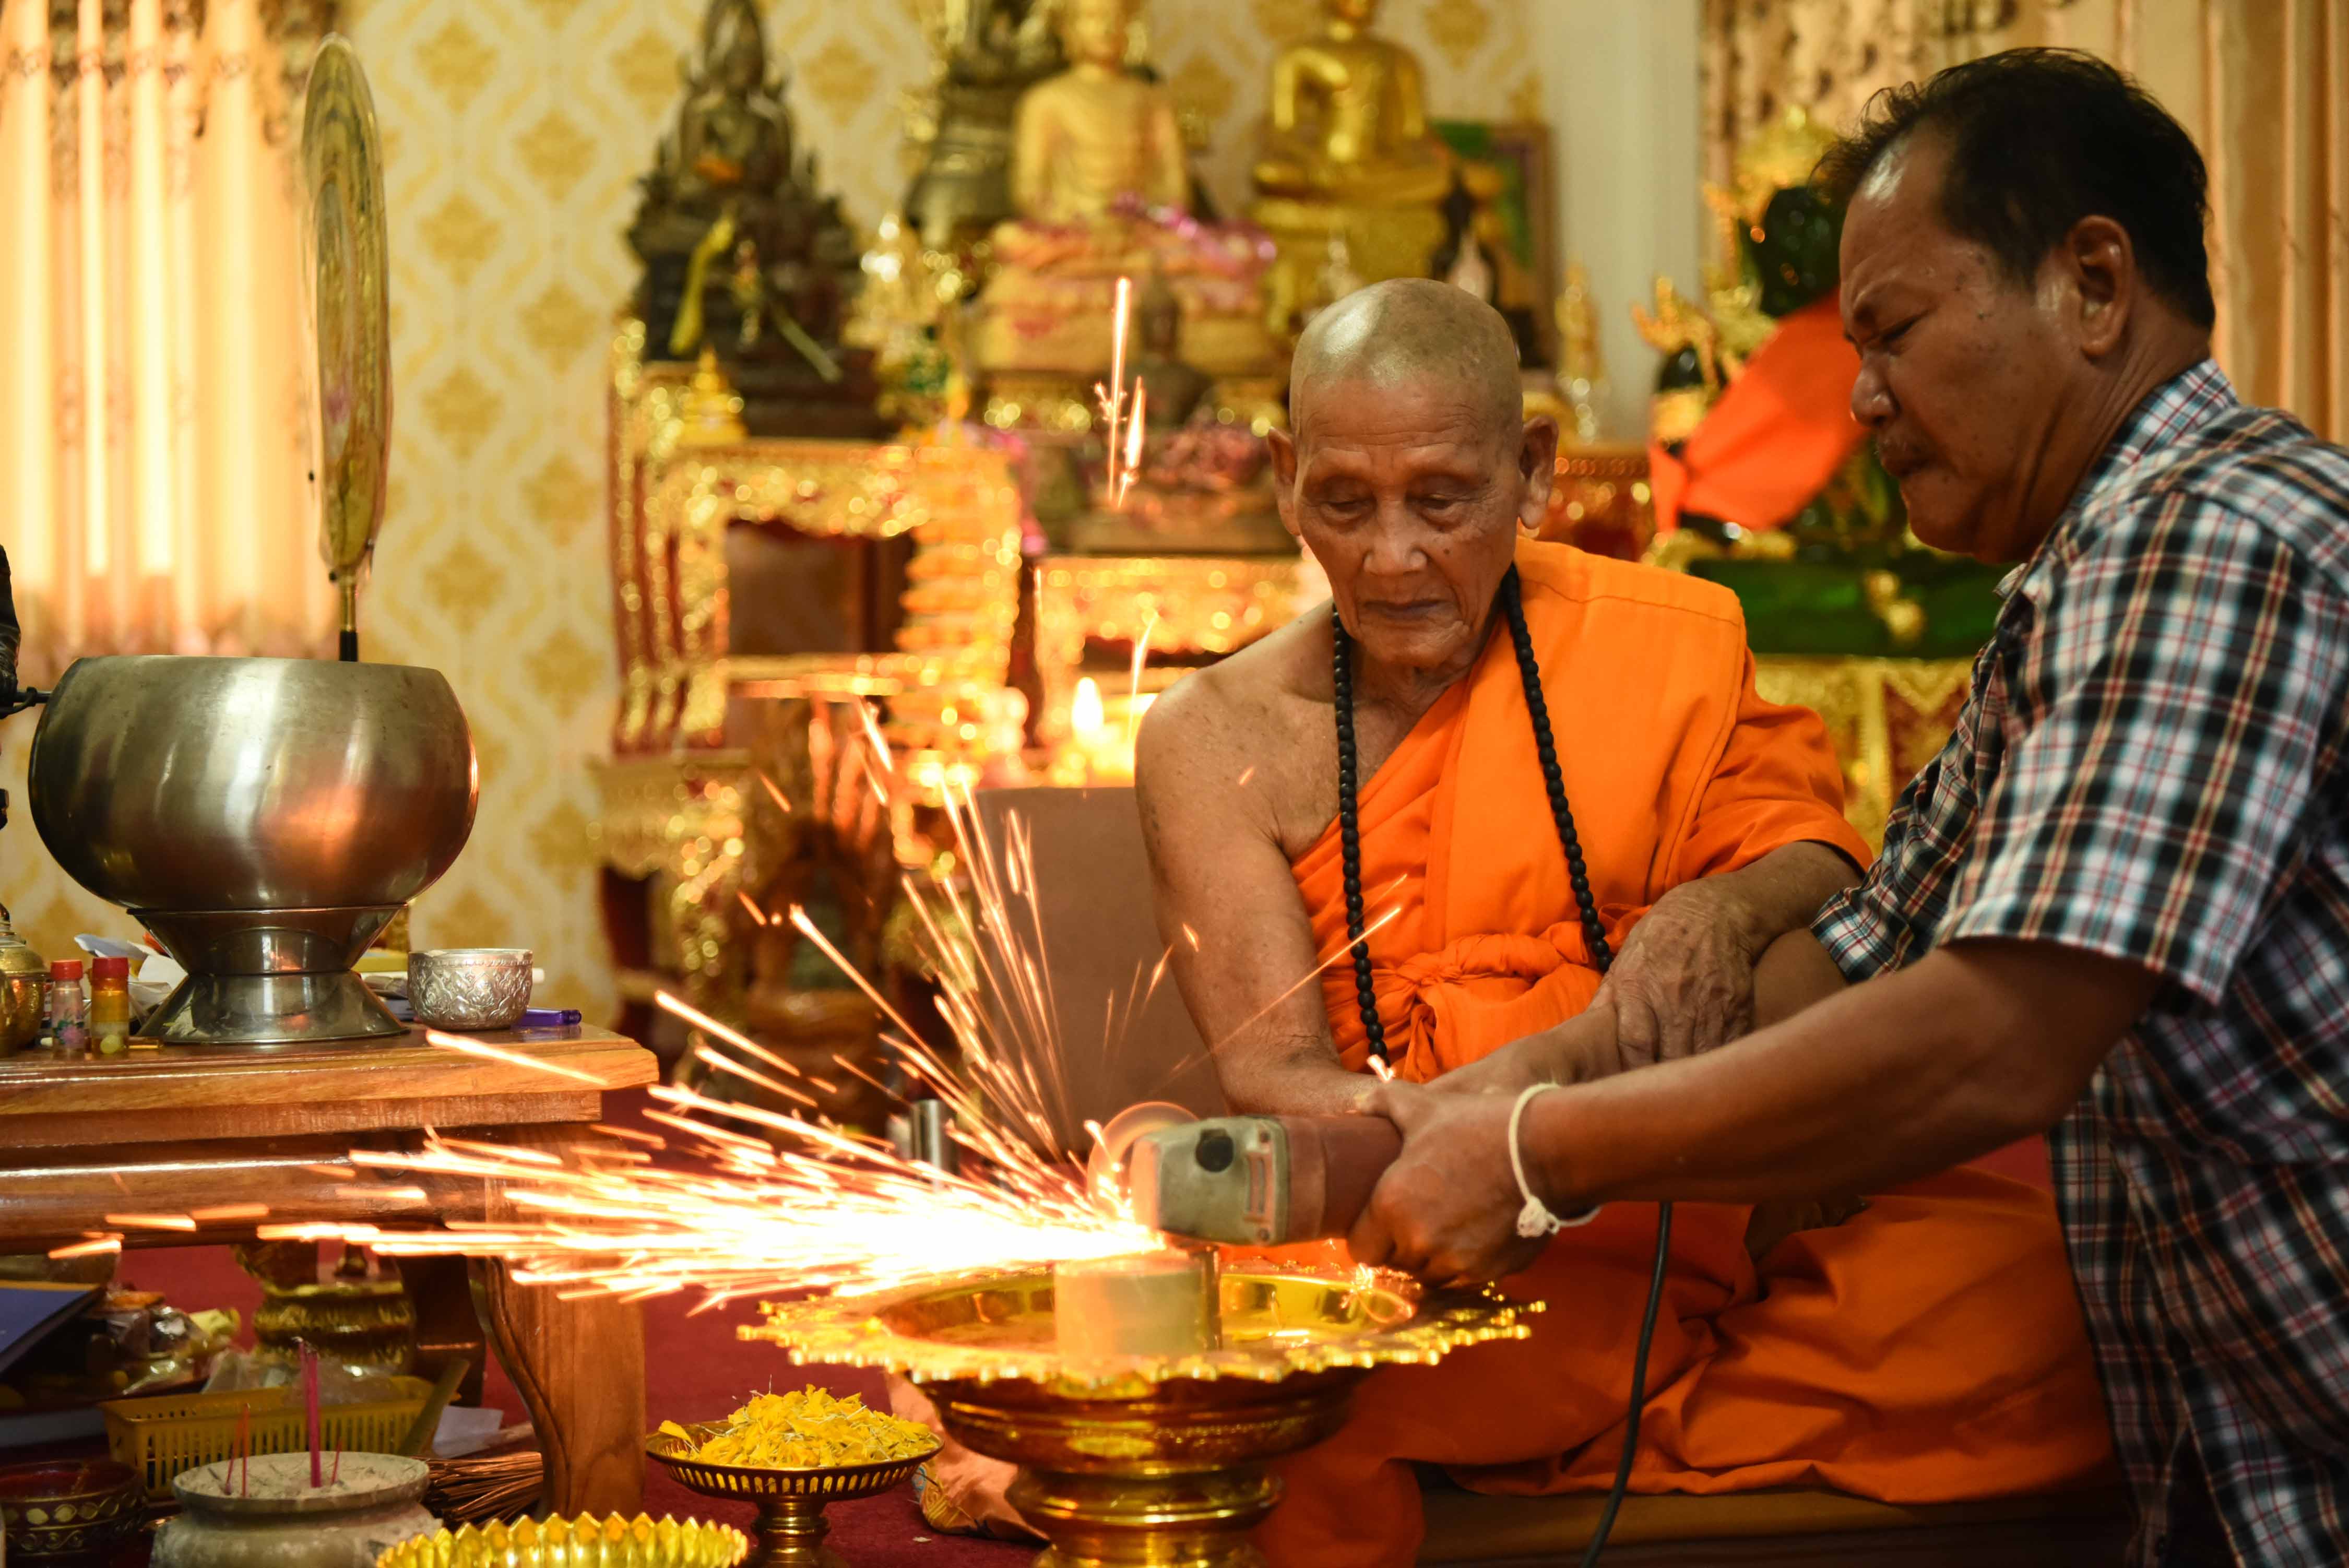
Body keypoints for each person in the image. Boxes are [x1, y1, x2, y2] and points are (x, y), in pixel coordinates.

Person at [1355, 51, 2349, 1568]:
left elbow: (1995, 1032)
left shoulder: (2213, 533)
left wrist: (1539, 1151)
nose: (1855, 394)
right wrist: (1482, 1093)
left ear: (2091, 282)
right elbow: (1859, 952)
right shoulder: (2067, 584)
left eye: (1888, 330)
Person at [1134, 276, 2113, 1567]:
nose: (1391, 555)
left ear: (1532, 473)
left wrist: (1717, 907)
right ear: (1282, 478)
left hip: (1690, 1194)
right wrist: (1492, 1148)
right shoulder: (1213, 739)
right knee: (1283, 1401)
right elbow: (1281, 1078)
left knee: (2079, 1303)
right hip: (1412, 1240)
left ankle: (1646, 1384)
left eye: (1442, 499)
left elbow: (1824, 867)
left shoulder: (1662, 640)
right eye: (1343, 503)